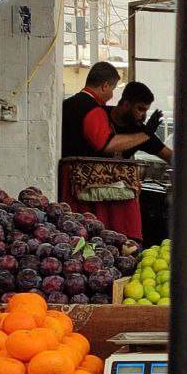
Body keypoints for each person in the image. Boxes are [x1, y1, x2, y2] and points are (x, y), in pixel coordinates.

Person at [59, 62, 155, 240]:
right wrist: (144, 135)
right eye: (112, 88)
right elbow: (105, 144)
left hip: (66, 180)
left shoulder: (66, 104)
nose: (112, 95)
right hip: (86, 187)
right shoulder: (93, 108)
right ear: (104, 85)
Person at [108, 81, 173, 163]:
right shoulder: (98, 115)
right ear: (126, 105)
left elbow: (170, 156)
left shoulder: (140, 131)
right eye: (140, 109)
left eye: (146, 111)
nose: (144, 116)